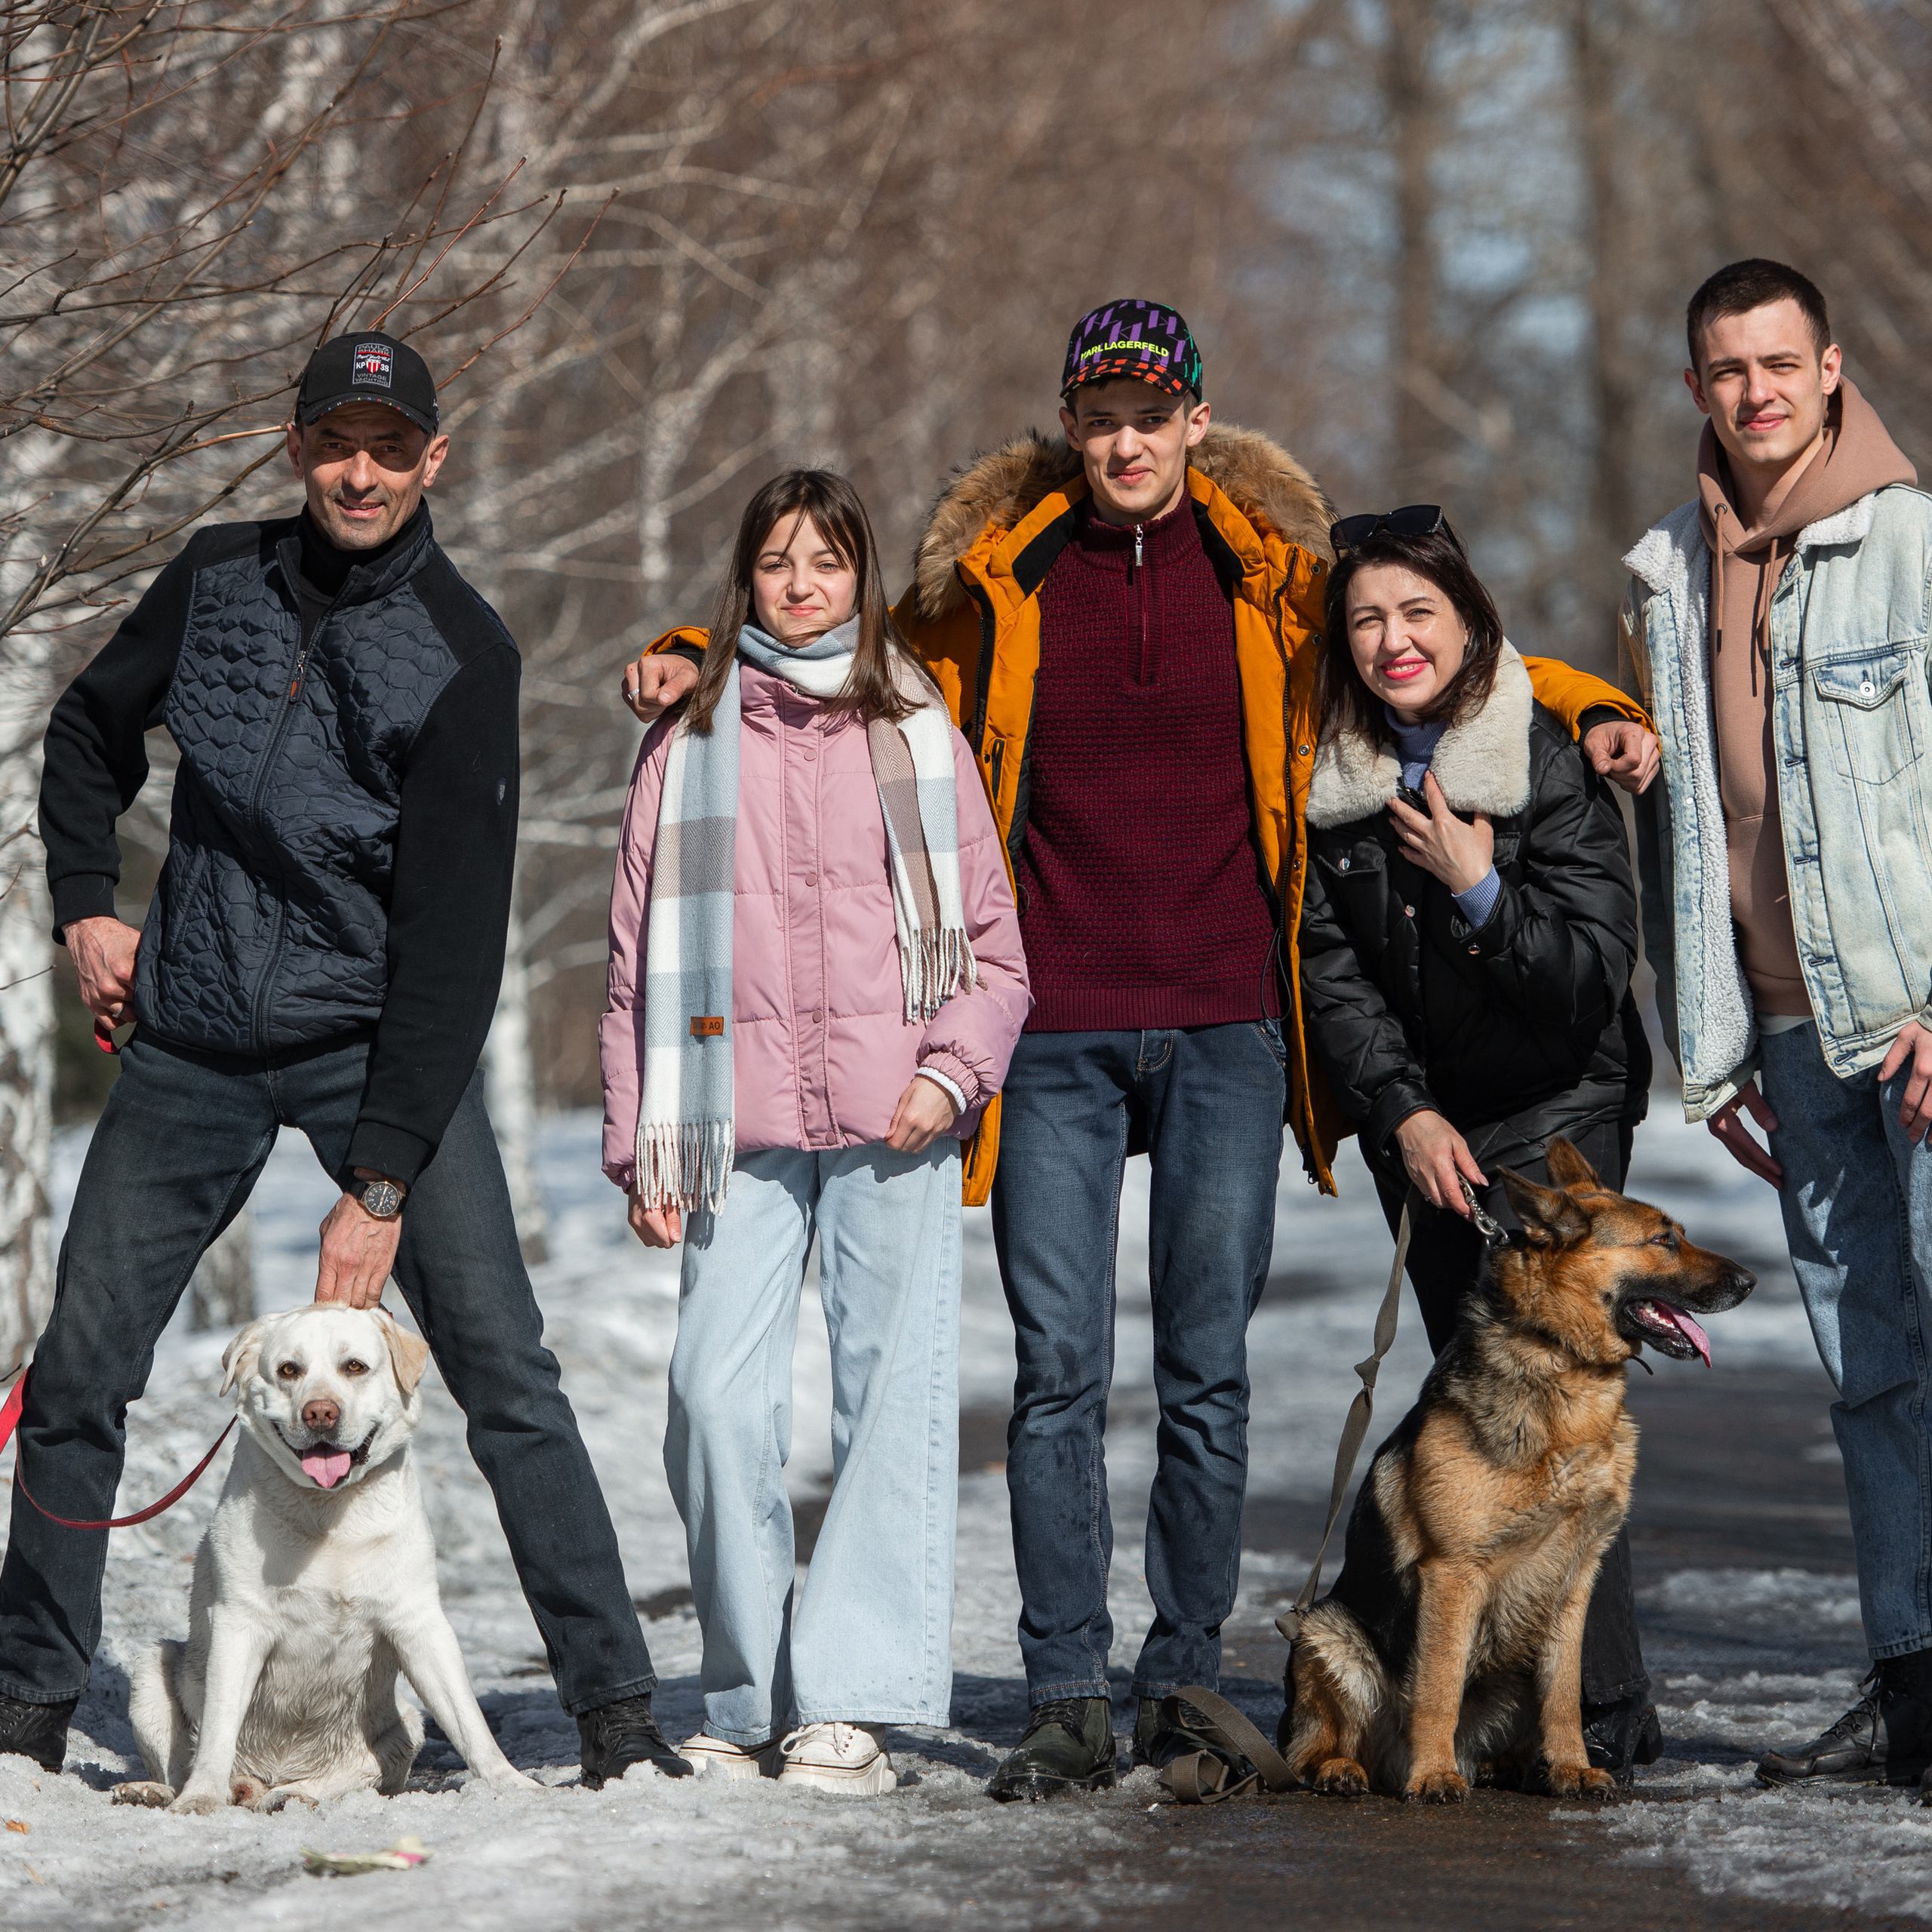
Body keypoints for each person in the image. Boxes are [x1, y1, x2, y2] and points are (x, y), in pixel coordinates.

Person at [621, 300, 1658, 1798]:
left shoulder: (1275, 585)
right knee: (1055, 1369)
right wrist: (676, 648)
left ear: (1191, 418)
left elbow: (1446, 645)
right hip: (1052, 1028)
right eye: (1095, 414)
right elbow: (819, 635)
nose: (1121, 439)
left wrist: (1600, 706)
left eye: (1146, 412)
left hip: (1230, 1020)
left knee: (1203, 1367)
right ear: (1070, 424)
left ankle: (1177, 1676)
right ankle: (1062, 1686)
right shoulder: (995, 584)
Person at [1, 331, 687, 1792]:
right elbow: (84, 735)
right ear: (294, 444)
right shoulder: (211, 580)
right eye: (335, 442)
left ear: (431, 460)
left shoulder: (463, 652)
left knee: (503, 1367)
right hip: (188, 1034)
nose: (359, 470)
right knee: (77, 1371)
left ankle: (618, 1714)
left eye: (389, 446)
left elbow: (451, 949)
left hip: (377, 1048)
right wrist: (82, 906)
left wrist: (378, 1180)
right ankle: (26, 1704)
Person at [601, 471, 1028, 1795]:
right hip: (726, 1125)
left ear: (863, 580)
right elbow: (631, 963)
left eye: (827, 563)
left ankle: (847, 1699)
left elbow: (998, 953)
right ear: (746, 583)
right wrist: (637, 1146)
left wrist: (952, 1076)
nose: (801, 585)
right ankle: (740, 1693)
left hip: (896, 1119)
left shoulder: (919, 729)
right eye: (778, 563)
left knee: (886, 1405)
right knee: (712, 1400)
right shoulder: (684, 743)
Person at [1621, 258, 1932, 1789]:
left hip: (1915, 1021)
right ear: (1695, 387)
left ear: (1827, 370)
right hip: (1790, 1031)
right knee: (1865, 1359)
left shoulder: (1912, 547)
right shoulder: (1670, 571)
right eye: (1721, 368)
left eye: (1774, 363)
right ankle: (1909, 1676)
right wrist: (1716, 1041)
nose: (1749, 391)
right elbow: (1698, 828)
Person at [1297, 509, 1659, 1779]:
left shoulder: (1544, 757)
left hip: (1561, 1107)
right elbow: (1333, 976)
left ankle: (1598, 1721)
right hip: (1437, 1122)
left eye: (1418, 613)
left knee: (1569, 1399)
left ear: (1468, 621)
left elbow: (1588, 978)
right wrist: (1403, 1113)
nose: (1395, 641)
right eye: (1368, 621)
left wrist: (1476, 886)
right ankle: (1470, 1698)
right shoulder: (1333, 780)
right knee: (1481, 1412)